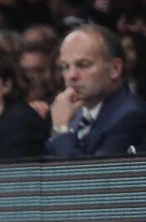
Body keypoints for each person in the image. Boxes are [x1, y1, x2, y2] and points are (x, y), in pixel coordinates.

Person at [47, 24, 146, 158]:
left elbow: (91, 177)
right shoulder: (73, 111)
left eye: (83, 65)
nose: (71, 75)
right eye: (65, 67)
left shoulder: (130, 116)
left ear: (115, 69)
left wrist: (61, 130)